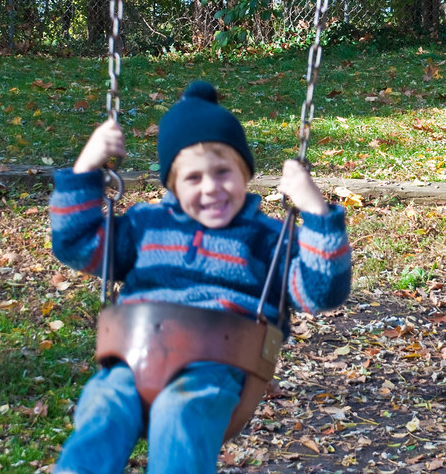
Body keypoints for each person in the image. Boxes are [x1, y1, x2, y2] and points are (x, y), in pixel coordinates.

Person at [49, 81, 352, 474]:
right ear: (172, 184)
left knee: (182, 409)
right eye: (193, 179)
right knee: (103, 402)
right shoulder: (145, 226)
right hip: (134, 356)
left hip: (215, 364)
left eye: (224, 172)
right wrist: (86, 167)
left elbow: (322, 291)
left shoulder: (265, 239)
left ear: (245, 173)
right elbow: (75, 243)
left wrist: (315, 210)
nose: (211, 188)